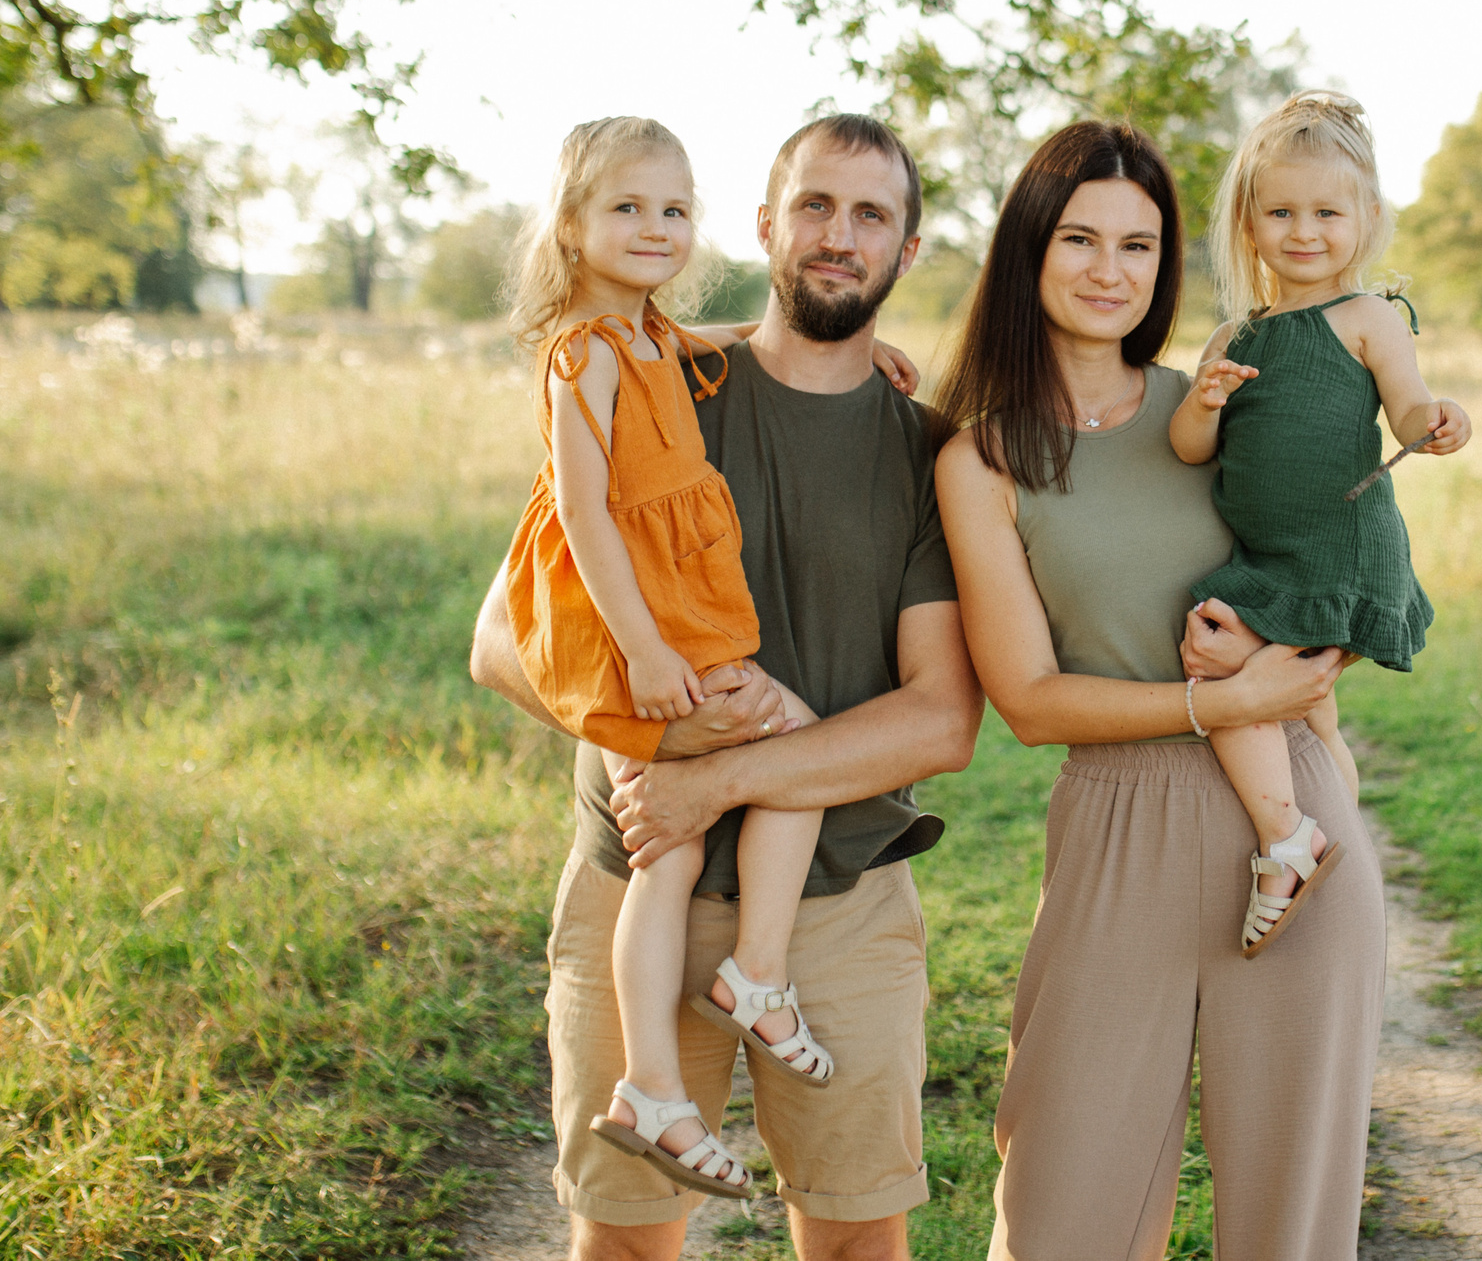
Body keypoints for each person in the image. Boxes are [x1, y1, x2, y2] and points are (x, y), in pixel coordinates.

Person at [471, 113, 980, 1261]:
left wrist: (723, 780)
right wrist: (662, 746)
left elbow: (942, 719)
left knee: (855, 1241)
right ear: (763, 225)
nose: (839, 235)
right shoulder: (653, 389)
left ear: (905, 251)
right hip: (639, 872)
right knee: (624, 1243)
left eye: (871, 215)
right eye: (814, 205)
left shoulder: (931, 452)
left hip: (839, 901)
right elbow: (503, 640)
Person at [934, 120, 1386, 1261]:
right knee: (1060, 1212)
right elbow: (1029, 701)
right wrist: (1215, 706)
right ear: (1030, 250)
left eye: (1137, 245)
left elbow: (1336, 564)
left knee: (1290, 1224)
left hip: (1292, 824)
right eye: (1079, 239)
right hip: (1116, 825)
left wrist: (1310, 688)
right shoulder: (982, 458)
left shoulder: (1226, 402)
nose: (1109, 270)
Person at [496, 114, 836, 1200]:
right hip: (637, 627)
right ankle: (736, 997)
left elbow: (718, 343)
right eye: (627, 207)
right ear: (571, 226)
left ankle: (672, 1066)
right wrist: (642, 650)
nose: (656, 226)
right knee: (781, 763)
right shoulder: (584, 352)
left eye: (675, 209)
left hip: (677, 612)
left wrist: (846, 350)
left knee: (685, 841)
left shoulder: (646, 336)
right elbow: (584, 511)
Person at [1167, 90, 1473, 956]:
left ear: (1366, 217)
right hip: (1271, 553)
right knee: (1315, 716)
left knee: (1221, 666)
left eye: (1327, 213)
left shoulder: (1366, 318)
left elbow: (1408, 406)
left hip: (1339, 547)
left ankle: (1287, 839)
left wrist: (1436, 422)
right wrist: (1203, 399)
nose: (1304, 231)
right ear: (1248, 222)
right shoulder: (1234, 335)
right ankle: (1344, 846)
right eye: (1281, 212)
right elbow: (1191, 449)